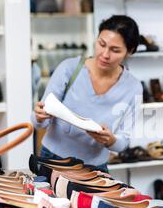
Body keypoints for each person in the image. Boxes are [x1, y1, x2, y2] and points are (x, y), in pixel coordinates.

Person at [31, 15, 142, 173]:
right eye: (101, 44)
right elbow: (37, 122)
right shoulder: (69, 69)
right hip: (53, 159)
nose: (105, 54)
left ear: (129, 52)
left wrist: (110, 140)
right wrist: (39, 116)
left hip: (95, 168)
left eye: (115, 50)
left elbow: (123, 142)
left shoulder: (133, 88)